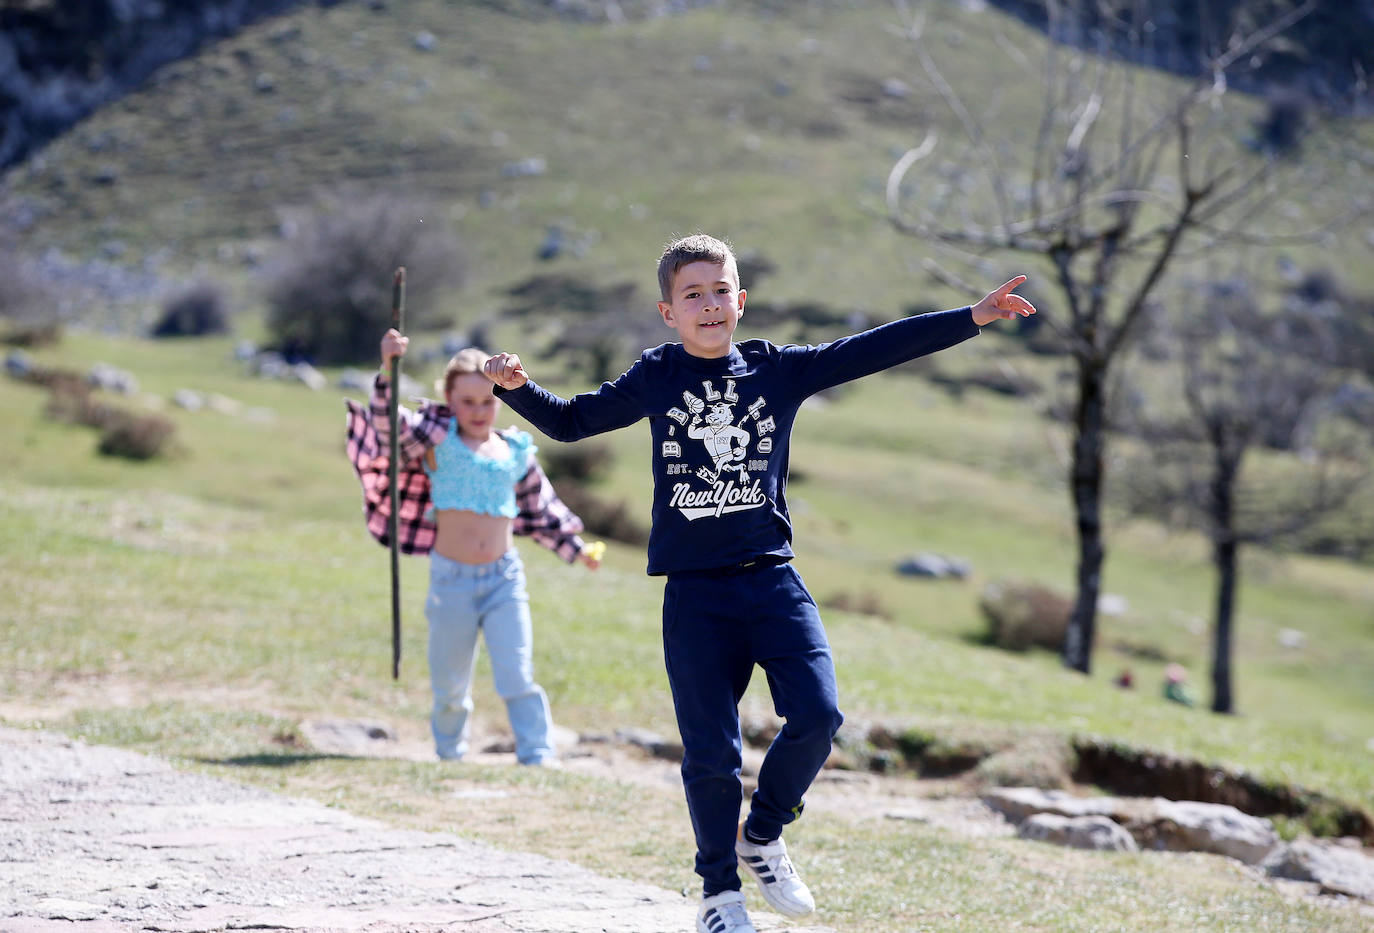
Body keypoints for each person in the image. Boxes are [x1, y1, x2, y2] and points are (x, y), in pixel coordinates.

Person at [483, 233, 1035, 933]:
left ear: (740, 300)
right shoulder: (657, 375)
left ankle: (765, 832)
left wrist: (972, 316)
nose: (710, 305)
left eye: (721, 291)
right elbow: (571, 422)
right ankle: (719, 896)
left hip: (773, 582)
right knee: (712, 754)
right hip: (695, 595)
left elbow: (869, 350)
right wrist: (516, 387)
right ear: (668, 312)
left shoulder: (777, 370)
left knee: (819, 716)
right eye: (693, 295)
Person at [345, 340, 601, 766]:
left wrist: (577, 550)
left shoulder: (516, 451)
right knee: (450, 682)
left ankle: (537, 754)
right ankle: (450, 754)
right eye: (467, 401)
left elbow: (543, 514)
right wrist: (388, 366)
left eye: (487, 401)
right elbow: (388, 426)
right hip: (452, 582)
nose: (479, 411)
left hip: (504, 580)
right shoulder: (435, 442)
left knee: (517, 673)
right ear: (448, 399)